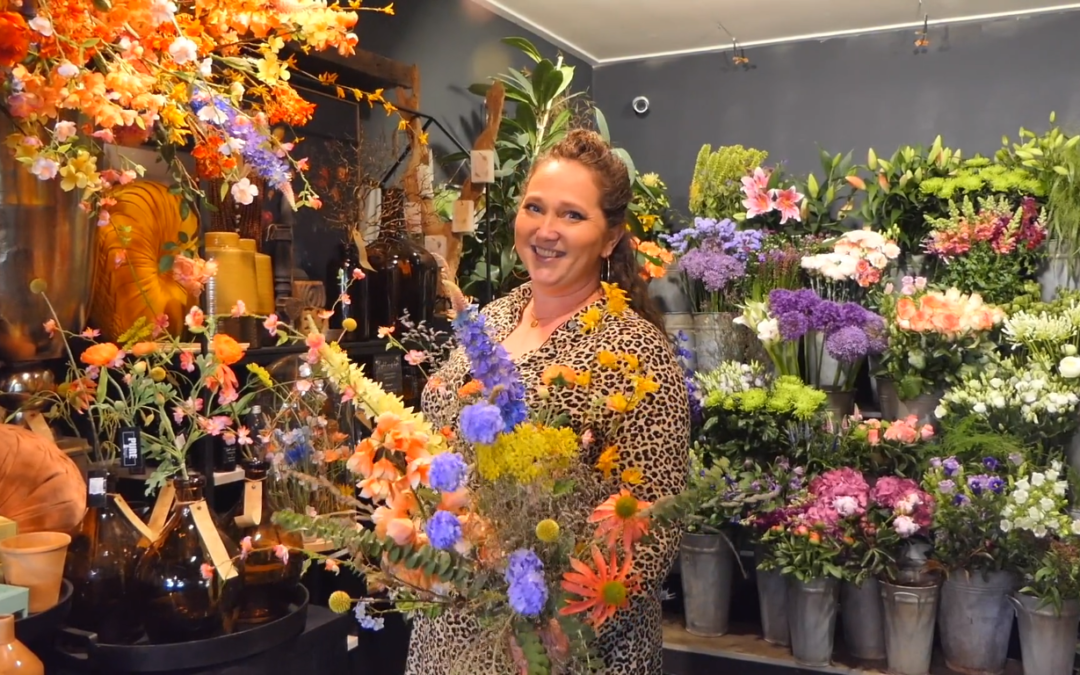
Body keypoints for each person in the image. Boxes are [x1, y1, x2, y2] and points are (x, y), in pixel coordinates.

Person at [406, 129, 690, 675]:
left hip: (559, 646)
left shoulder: (634, 350)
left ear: (610, 239)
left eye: (572, 215)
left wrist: (568, 623)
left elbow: (653, 518)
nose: (546, 230)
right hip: (451, 630)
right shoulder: (489, 319)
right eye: (534, 207)